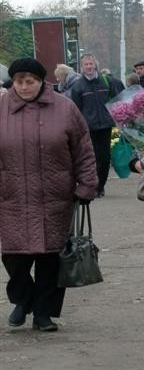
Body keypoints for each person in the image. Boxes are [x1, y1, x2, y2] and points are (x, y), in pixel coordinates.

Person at [0, 58, 97, 331]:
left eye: (30, 81)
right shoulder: (1, 108)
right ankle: (23, 299)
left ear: (42, 81)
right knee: (13, 256)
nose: (24, 87)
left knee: (50, 259)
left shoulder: (65, 108)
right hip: (11, 197)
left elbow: (83, 149)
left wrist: (87, 185)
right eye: (19, 81)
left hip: (55, 196)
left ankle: (43, 314)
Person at [70, 53, 124, 198]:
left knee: (105, 158)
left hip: (106, 126)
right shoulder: (78, 86)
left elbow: (116, 101)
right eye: (86, 64)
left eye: (91, 64)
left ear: (95, 65)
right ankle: (92, 185)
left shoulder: (106, 82)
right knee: (92, 158)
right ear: (82, 67)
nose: (89, 67)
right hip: (88, 128)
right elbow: (76, 109)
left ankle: (100, 186)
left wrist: (118, 119)